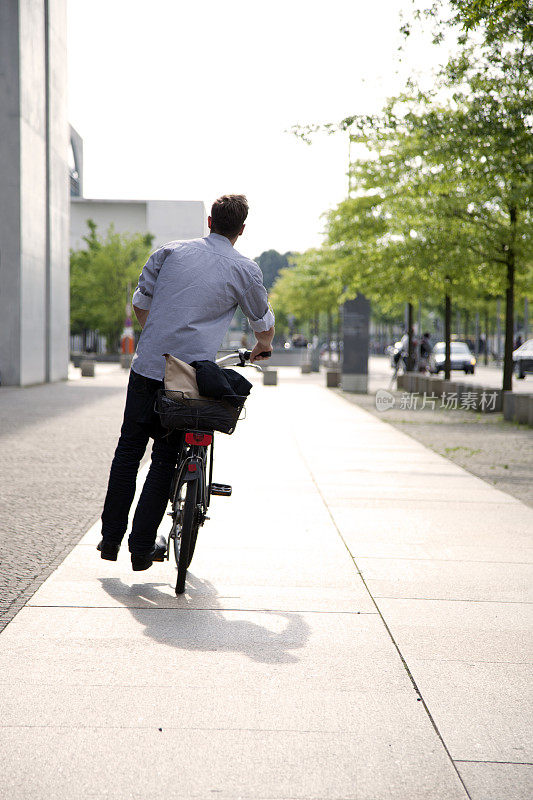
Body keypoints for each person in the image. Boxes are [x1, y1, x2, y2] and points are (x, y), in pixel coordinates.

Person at [97, 195, 275, 571]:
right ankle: (142, 548)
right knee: (164, 459)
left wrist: (160, 336)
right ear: (241, 230)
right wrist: (264, 346)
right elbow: (262, 321)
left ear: (209, 220)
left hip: (147, 366)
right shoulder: (245, 269)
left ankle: (110, 539)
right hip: (188, 377)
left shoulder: (170, 252)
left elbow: (141, 303)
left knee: (129, 452)